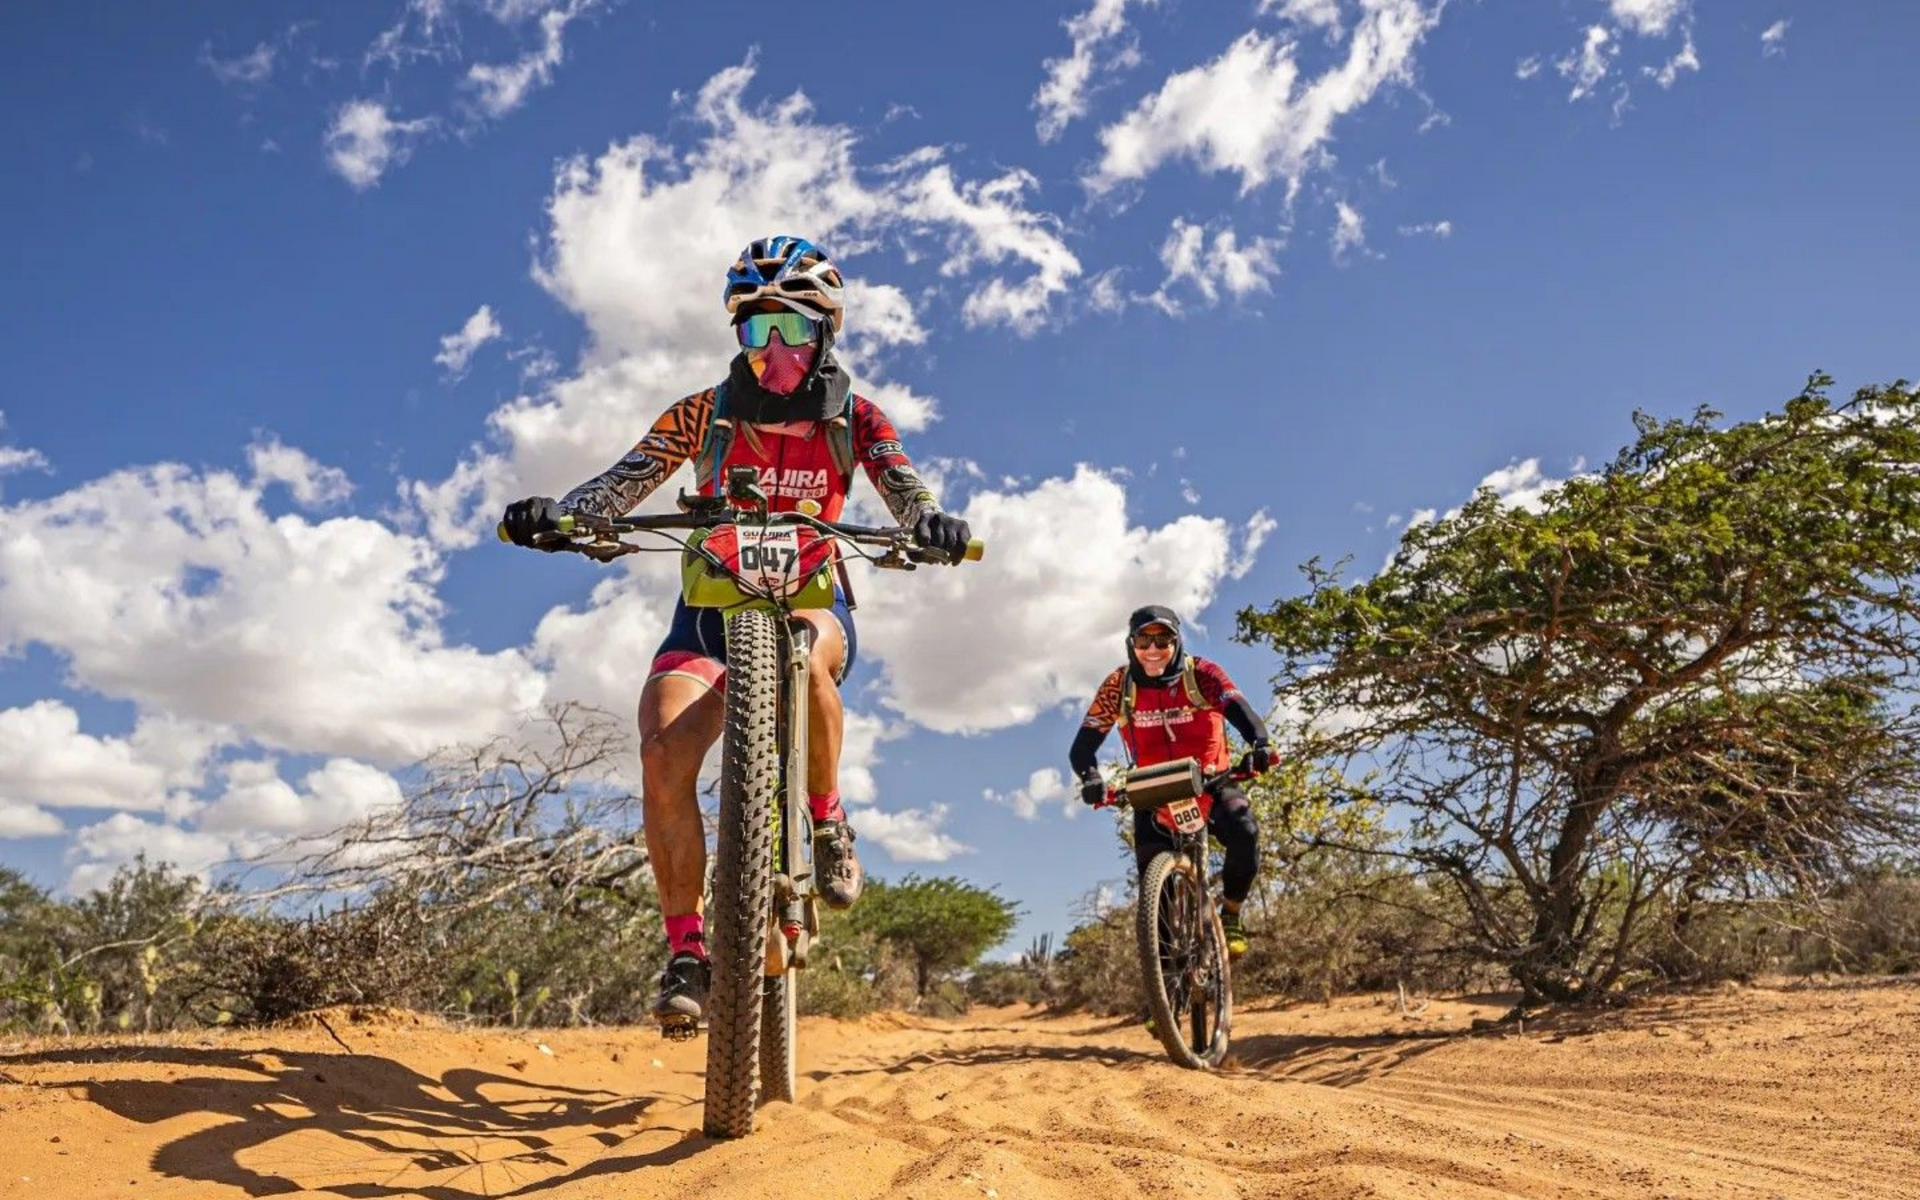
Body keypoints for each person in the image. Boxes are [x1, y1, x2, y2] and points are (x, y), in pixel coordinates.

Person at [500, 235, 972, 1028]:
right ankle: (688, 950)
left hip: (812, 596)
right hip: (709, 611)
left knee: (807, 661)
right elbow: (622, 482)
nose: (774, 347)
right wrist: (564, 513)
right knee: (661, 749)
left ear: (826, 330)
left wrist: (930, 521)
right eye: (757, 328)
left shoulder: (856, 417)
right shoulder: (703, 413)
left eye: (793, 327)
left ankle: (827, 818)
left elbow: (904, 488)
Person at [1069, 605, 1273, 959]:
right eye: (1143, 641)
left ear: (1177, 642)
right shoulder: (1118, 686)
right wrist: (1091, 778)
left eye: (1162, 640)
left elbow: (1240, 710)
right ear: (1131, 644)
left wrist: (1260, 744)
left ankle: (1231, 913)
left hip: (1211, 781)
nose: (1153, 649)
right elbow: (1083, 746)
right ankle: (1163, 983)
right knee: (1155, 896)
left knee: (1245, 832)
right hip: (1154, 790)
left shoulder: (1203, 674)